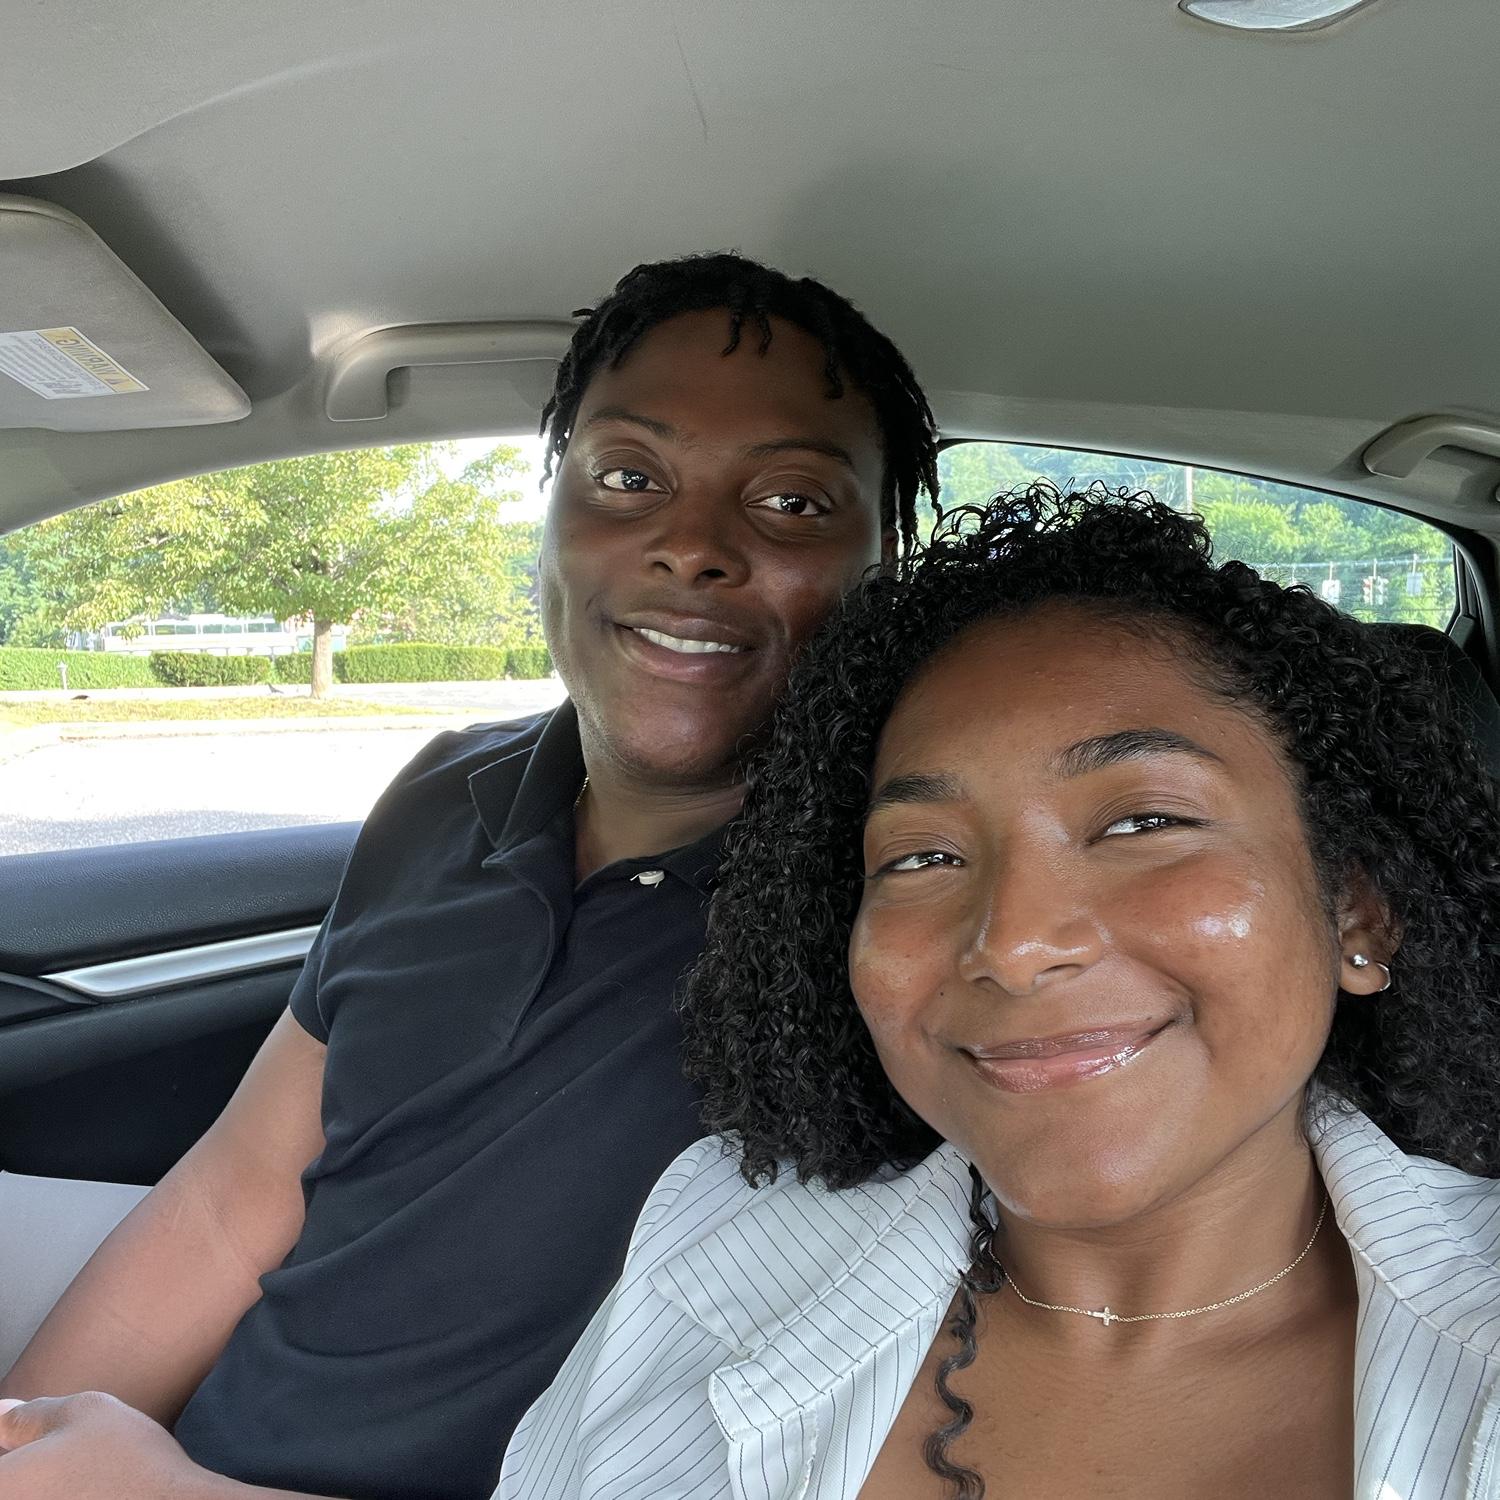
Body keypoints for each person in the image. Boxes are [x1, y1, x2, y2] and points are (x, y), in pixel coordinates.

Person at [0, 253, 939, 1500]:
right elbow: (236, 1197)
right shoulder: (447, 792)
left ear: (887, 561)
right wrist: (32, 1436)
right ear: (551, 513)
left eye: (792, 501)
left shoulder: (905, 912)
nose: (693, 547)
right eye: (628, 477)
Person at [497, 487, 1500, 1499]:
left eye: (1144, 823)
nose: (1015, 947)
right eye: (922, 856)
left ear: (1358, 913)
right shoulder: (715, 1243)